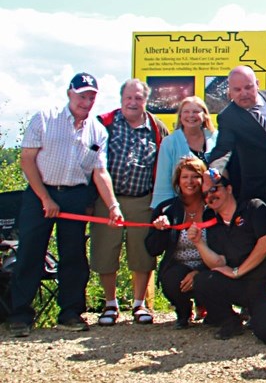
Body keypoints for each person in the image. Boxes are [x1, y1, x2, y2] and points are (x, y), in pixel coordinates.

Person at [8, 73, 124, 337]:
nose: (86, 101)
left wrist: (114, 206)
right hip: (41, 192)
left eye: (91, 96)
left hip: (75, 196)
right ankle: (21, 314)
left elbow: (100, 172)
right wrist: (45, 199)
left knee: (73, 255)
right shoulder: (45, 118)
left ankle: (70, 312)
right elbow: (27, 160)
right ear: (70, 93)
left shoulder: (97, 130)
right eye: (82, 95)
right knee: (30, 253)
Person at [92, 79, 169, 326]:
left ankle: (139, 304)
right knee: (106, 251)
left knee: (142, 254)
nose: (133, 102)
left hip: (142, 199)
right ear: (121, 99)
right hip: (107, 199)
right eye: (129, 97)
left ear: (146, 101)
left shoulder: (157, 128)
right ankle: (110, 304)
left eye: (138, 98)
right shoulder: (105, 123)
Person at [189, 170, 266, 343]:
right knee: (203, 281)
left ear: (229, 189)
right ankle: (230, 321)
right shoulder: (210, 218)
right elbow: (218, 262)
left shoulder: (254, 207)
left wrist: (237, 271)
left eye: (214, 189)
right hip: (240, 285)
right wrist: (199, 243)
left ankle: (261, 314)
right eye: (205, 194)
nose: (210, 196)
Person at [145, 156, 213, 329]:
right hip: (178, 266)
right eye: (185, 177)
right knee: (172, 278)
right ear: (178, 181)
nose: (190, 181)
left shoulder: (213, 208)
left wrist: (198, 272)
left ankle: (212, 309)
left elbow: (225, 247)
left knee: (209, 280)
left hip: (210, 265)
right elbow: (152, 249)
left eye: (195, 176)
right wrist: (161, 230)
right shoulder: (166, 209)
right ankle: (183, 313)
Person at [208, 65, 266, 204]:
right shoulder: (228, 117)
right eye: (237, 90)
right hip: (262, 188)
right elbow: (223, 149)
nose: (243, 93)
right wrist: (215, 169)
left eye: (248, 87)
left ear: (257, 84)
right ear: (230, 91)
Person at [151, 97, 217, 207]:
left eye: (196, 111)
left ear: (205, 115)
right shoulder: (169, 143)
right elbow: (163, 182)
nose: (191, 115)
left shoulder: (217, 138)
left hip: (214, 205)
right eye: (186, 111)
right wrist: (164, 211)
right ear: (180, 116)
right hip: (182, 207)